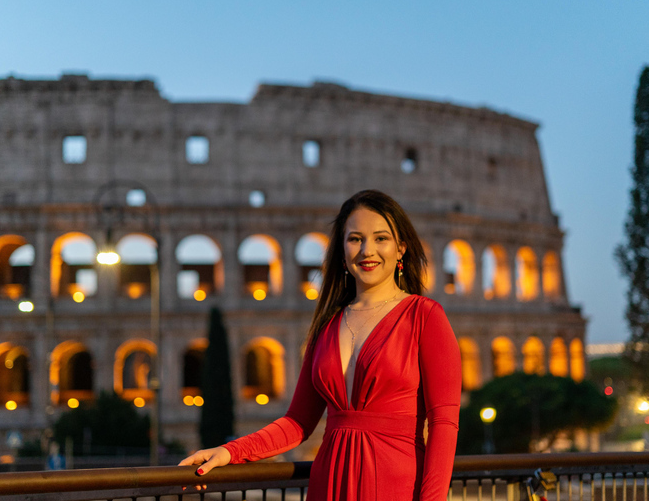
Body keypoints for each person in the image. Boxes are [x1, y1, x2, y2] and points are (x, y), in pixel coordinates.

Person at [180, 189, 461, 500]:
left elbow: (443, 424)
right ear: (342, 253)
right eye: (355, 239)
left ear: (401, 249)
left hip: (395, 483)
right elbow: (297, 423)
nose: (367, 250)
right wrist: (230, 452)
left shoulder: (424, 316)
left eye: (381, 238)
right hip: (328, 482)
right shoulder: (326, 326)